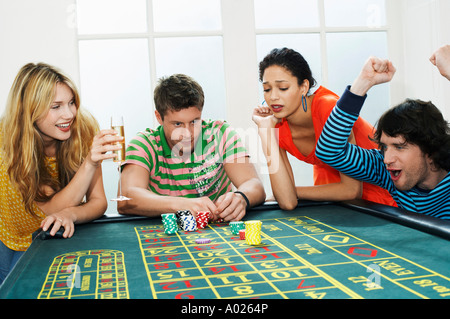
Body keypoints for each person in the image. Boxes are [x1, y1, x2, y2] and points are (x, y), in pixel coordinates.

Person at [0, 63, 123, 284]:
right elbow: (48, 207)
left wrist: (72, 215)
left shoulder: (83, 128)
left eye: (71, 103)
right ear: (30, 110)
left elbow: (98, 202)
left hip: (49, 231)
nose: (69, 114)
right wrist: (89, 164)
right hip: (7, 232)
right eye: (55, 106)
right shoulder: (8, 140)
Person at [252, 48, 396, 210]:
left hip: (385, 191)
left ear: (304, 87)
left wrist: (293, 191)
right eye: (267, 89)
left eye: (283, 88)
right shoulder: (275, 124)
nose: (273, 97)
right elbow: (287, 201)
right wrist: (265, 131)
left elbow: (351, 190)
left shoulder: (327, 107)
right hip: (334, 198)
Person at [316, 47, 450, 219]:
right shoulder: (387, 171)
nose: (387, 159)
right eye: (385, 147)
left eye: (399, 147)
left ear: (430, 151)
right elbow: (329, 151)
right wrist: (363, 82)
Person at [118, 74, 265, 221]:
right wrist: (181, 205)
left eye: (194, 121)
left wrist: (242, 198)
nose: (187, 133)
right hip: (168, 236)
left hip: (218, 232)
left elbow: (254, 185)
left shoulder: (220, 133)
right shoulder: (144, 144)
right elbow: (125, 199)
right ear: (159, 117)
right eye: (177, 124)